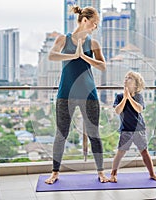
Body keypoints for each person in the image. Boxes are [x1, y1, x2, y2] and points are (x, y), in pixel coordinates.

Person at [45, 5, 109, 184]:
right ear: (85, 20)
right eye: (94, 23)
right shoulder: (63, 39)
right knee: (61, 134)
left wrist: (84, 56)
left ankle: (101, 172)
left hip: (89, 94)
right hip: (65, 94)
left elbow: (103, 66)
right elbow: (51, 56)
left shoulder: (93, 44)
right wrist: (73, 56)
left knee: (93, 133)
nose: (95, 27)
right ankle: (55, 173)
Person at [110, 71, 156, 183]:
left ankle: (152, 174)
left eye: (129, 78)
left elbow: (139, 109)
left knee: (144, 152)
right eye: (125, 77)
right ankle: (113, 174)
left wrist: (129, 97)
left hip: (139, 129)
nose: (126, 79)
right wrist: (125, 98)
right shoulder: (119, 97)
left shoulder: (138, 97)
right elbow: (118, 110)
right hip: (126, 130)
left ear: (135, 84)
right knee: (120, 152)